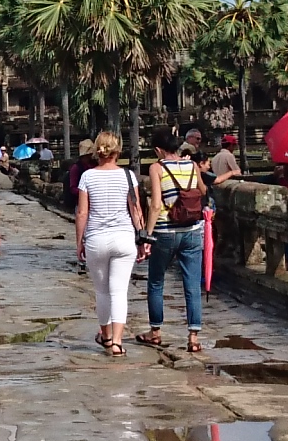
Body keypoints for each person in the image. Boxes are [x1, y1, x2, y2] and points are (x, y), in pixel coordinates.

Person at [142, 131, 212, 356]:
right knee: (191, 285)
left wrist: (147, 236)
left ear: (158, 151)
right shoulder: (191, 165)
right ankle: (193, 337)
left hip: (165, 230)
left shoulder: (157, 168)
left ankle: (155, 332)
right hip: (192, 230)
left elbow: (154, 204)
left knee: (156, 282)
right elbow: (203, 190)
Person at [75, 130, 142, 356]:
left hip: (96, 238)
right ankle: (117, 341)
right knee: (119, 292)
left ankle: (105, 335)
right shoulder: (128, 176)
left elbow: (82, 213)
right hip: (124, 237)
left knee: (102, 292)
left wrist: (79, 241)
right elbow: (135, 209)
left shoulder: (88, 177)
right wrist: (142, 238)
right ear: (117, 151)